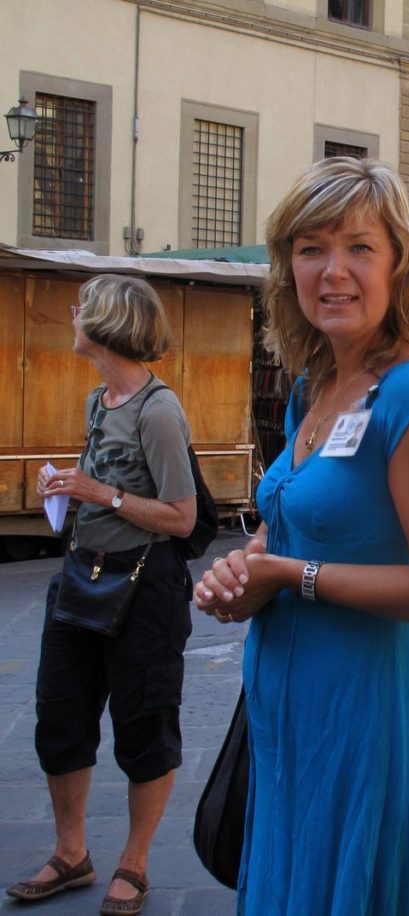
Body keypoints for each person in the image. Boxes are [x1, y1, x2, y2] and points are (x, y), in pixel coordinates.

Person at [193, 157, 409, 915]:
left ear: (399, 266)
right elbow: (295, 529)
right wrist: (243, 573)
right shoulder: (313, 390)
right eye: (311, 247)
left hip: (366, 723)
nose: (334, 270)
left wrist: (292, 575)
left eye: (359, 247)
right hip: (286, 722)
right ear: (287, 264)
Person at [6, 275, 197, 916]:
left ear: (108, 324)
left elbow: (182, 517)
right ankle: (71, 855)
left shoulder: (159, 410)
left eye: (82, 309)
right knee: (59, 715)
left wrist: (101, 494)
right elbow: (105, 479)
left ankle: (133, 865)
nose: (73, 315)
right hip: (82, 575)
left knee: (144, 723)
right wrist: (67, 485)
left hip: (145, 586)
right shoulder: (100, 399)